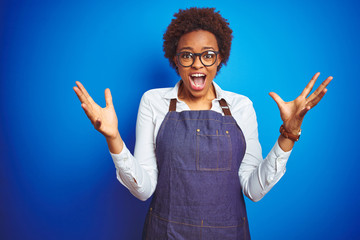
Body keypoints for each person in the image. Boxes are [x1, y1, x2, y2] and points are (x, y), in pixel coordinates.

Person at [73, 7, 332, 240]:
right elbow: (144, 190)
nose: (198, 64)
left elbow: (254, 190)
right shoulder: (153, 102)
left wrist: (289, 133)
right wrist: (113, 137)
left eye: (208, 55)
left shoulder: (241, 107)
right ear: (175, 60)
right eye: (187, 55)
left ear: (220, 59)